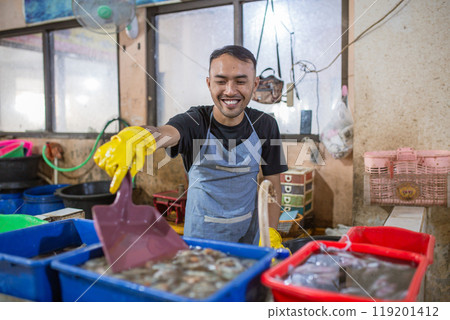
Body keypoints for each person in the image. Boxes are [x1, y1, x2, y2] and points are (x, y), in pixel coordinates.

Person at [94, 45, 288, 250]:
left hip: (250, 240)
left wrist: (270, 233)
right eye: (221, 81)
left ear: (255, 84)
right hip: (201, 243)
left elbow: (272, 184)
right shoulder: (195, 121)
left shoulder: (265, 125)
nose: (230, 91)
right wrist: (142, 136)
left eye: (240, 81)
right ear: (209, 83)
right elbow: (166, 132)